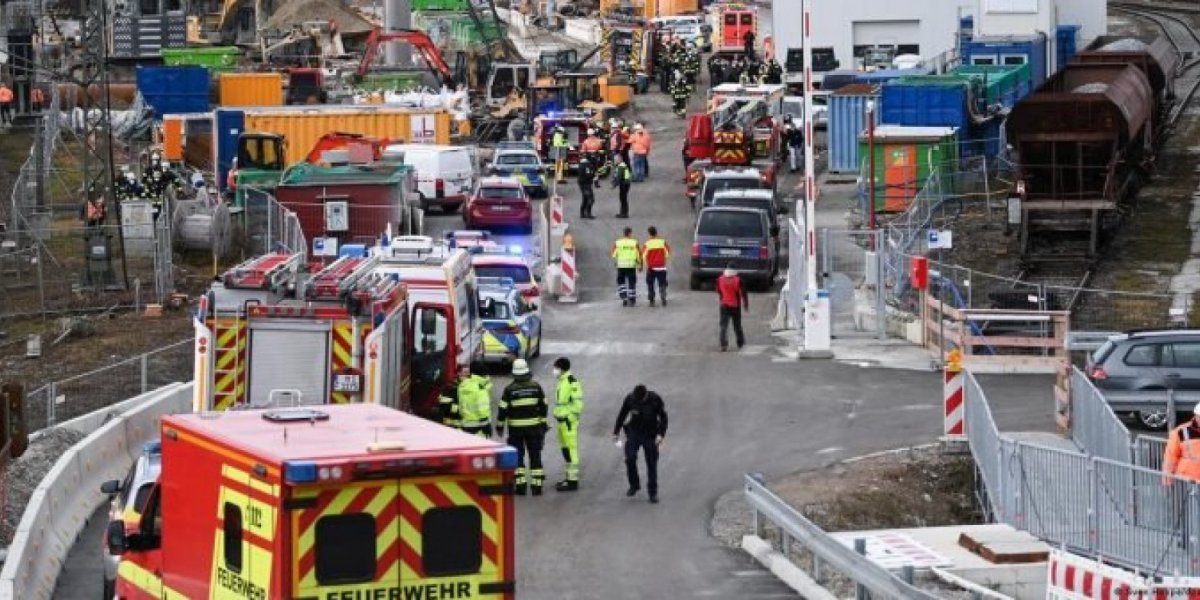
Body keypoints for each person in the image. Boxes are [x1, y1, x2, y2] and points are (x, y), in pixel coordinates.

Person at [498, 359, 548, 495]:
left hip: (516, 430)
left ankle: (520, 486)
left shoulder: (509, 390)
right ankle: (537, 486)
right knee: (535, 456)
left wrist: (500, 426)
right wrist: (543, 423)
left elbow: (502, 410)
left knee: (518, 457)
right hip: (534, 429)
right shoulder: (536, 387)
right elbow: (544, 406)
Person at [612, 384, 669, 503]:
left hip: (651, 434)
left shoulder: (655, 399)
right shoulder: (630, 398)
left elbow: (663, 418)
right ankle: (634, 485)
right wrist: (616, 432)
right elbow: (622, 415)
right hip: (634, 432)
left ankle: (652, 493)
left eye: (639, 399)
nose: (637, 401)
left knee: (651, 463)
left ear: (645, 396)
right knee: (630, 458)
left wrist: (660, 435)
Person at [1163, 404, 1200, 546]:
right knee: (1183, 513)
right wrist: (1167, 478)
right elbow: (1170, 457)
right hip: (1185, 481)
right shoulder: (1181, 432)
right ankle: (1184, 540)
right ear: (1196, 416)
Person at [552, 357, 584, 492]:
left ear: (562, 369)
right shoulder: (562, 381)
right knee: (565, 450)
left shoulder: (572, 382)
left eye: (556, 368)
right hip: (561, 421)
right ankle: (568, 477)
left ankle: (573, 481)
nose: (554, 371)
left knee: (571, 450)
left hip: (568, 422)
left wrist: (569, 418)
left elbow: (578, 405)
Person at [716, 266, 748, 351]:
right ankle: (740, 343)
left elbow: (718, 291)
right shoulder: (738, 280)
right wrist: (745, 304)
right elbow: (743, 293)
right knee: (737, 325)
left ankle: (723, 344)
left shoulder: (720, 279)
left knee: (723, 326)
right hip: (735, 306)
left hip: (724, 305)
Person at [612, 226, 641, 306]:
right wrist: (640, 264)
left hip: (621, 266)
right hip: (631, 265)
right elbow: (639, 254)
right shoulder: (634, 242)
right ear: (630, 233)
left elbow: (614, 254)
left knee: (621, 282)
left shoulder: (617, 243)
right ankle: (632, 300)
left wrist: (616, 261)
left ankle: (624, 297)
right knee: (632, 282)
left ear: (624, 233)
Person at [642, 226, 670, 307]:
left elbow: (643, 255)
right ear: (656, 232)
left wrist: (645, 263)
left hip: (651, 267)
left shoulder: (647, 243)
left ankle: (651, 300)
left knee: (650, 283)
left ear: (649, 234)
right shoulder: (662, 242)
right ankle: (663, 298)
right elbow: (667, 253)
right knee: (662, 283)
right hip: (661, 266)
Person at [577, 155, 596, 219]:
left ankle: (582, 213)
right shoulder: (587, 165)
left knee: (585, 198)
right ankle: (588, 213)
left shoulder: (581, 164)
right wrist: (593, 175)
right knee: (590, 199)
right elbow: (588, 174)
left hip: (582, 184)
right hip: (586, 184)